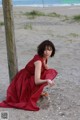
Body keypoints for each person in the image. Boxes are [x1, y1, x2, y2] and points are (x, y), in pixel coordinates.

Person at [0, 40, 58, 111]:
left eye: (49, 50)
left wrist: (46, 67)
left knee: (49, 71)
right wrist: (47, 80)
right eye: (45, 49)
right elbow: (37, 81)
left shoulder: (44, 58)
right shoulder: (39, 62)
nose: (47, 52)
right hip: (23, 80)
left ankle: (36, 92)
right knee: (49, 73)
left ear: (52, 51)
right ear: (41, 50)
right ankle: (32, 94)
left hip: (29, 77)